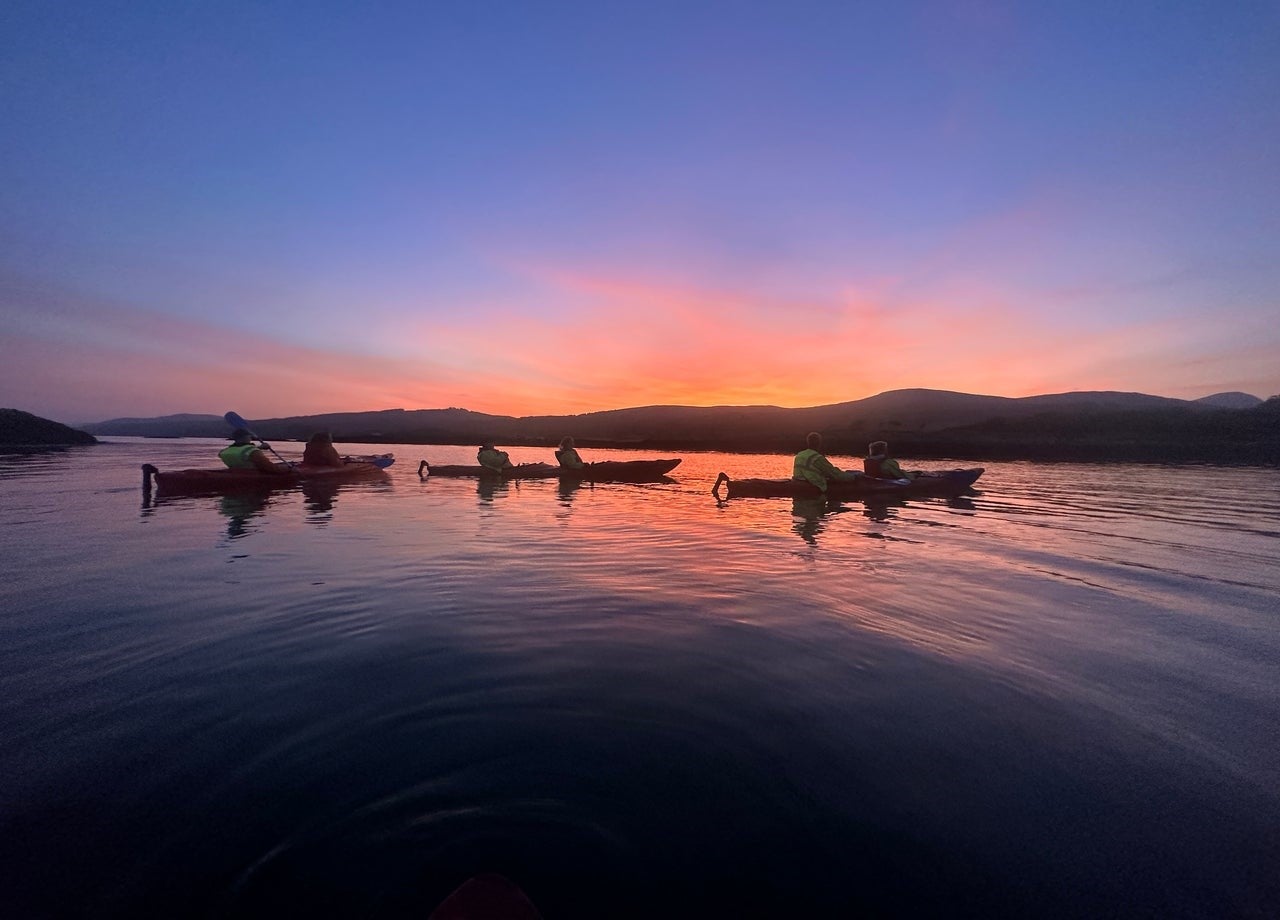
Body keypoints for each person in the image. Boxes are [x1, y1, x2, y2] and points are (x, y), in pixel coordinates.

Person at [792, 432, 860, 493]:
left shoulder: (799, 455)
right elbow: (834, 474)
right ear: (819, 443)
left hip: (799, 481)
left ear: (808, 442)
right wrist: (853, 477)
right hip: (815, 484)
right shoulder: (817, 458)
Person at [219, 428, 285, 474]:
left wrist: (260, 448)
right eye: (249, 436)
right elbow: (270, 468)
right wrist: (288, 469)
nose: (250, 438)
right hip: (253, 474)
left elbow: (242, 450)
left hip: (234, 473)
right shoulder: (253, 451)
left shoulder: (224, 451)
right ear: (246, 437)